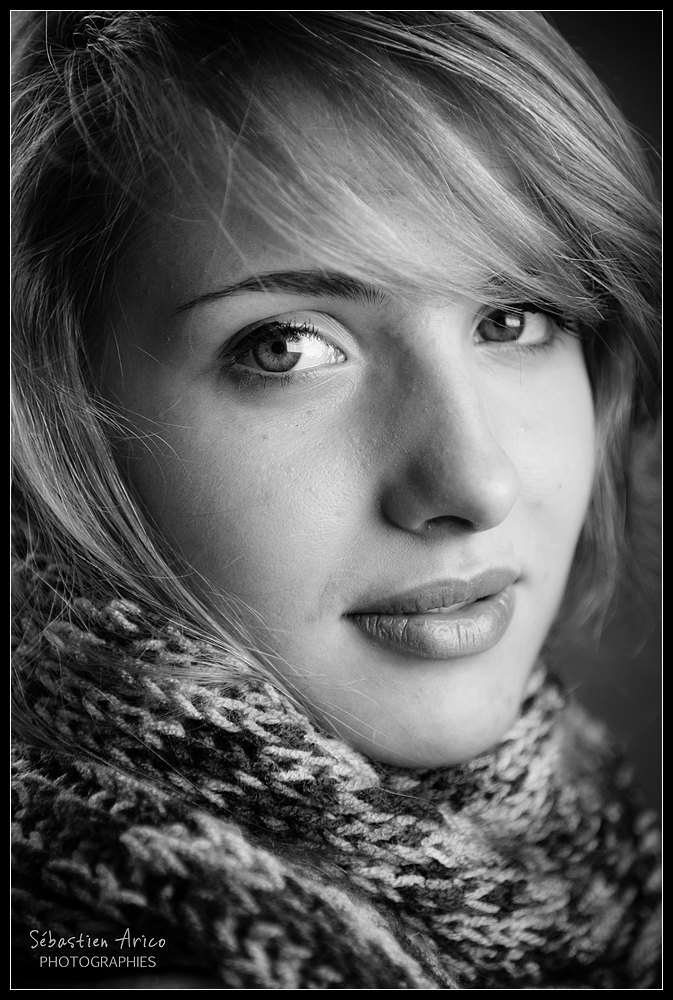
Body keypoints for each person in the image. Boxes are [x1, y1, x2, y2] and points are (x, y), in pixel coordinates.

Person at [11, 10, 661, 989]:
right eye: (288, 346)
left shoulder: (597, 858)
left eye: (513, 318)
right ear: (54, 413)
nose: (473, 483)